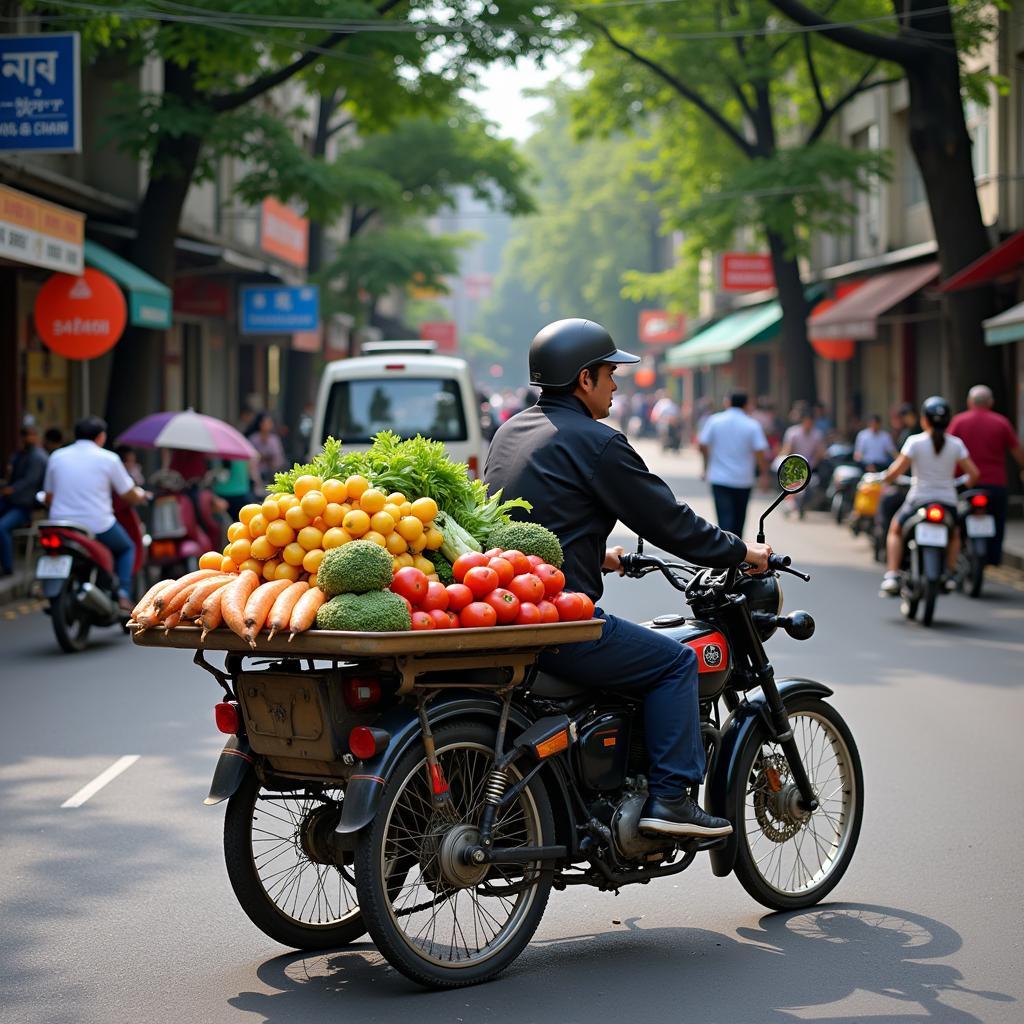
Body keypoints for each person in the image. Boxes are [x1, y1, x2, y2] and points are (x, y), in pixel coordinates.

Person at [485, 318, 771, 838]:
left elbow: (531, 523)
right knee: (675, 664)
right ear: (583, 379)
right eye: (610, 373)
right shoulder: (597, 443)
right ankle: (670, 800)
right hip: (560, 623)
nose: (617, 384)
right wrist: (739, 551)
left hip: (508, 609)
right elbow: (668, 522)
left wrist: (597, 557)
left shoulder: (511, 431)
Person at [43, 416, 149, 609]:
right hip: (98, 524)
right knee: (127, 548)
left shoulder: (56, 456)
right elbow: (127, 493)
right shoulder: (108, 458)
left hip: (61, 525)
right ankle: (124, 593)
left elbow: (49, 496)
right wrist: (141, 496)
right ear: (101, 437)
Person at [876, 397, 979, 595]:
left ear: (924, 420)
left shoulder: (915, 442)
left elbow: (894, 473)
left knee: (896, 529)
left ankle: (892, 574)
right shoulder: (956, 444)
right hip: (947, 501)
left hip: (918, 499)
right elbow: (974, 474)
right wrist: (957, 486)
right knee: (954, 534)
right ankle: (949, 573)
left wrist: (884, 479)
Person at [948, 385, 1024, 566]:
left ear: (969, 402)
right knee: (998, 521)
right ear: (991, 403)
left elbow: (945, 448)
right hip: (996, 484)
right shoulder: (1001, 422)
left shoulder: (959, 421)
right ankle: (993, 558)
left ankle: (955, 558)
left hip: (966, 483)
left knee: (956, 521)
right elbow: (1017, 452)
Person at [698, 392, 770, 536]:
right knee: (739, 521)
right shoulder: (752, 425)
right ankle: (736, 553)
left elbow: (702, 444)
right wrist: (764, 474)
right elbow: (760, 452)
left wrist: (706, 465)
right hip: (743, 480)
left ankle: (726, 552)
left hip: (719, 479)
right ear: (746, 404)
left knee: (724, 520)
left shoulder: (715, 420)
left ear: (728, 402)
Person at [0, 424, 48, 576]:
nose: (29, 438)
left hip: (25, 506)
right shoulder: (19, 455)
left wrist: (11, 489)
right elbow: (11, 474)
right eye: (26, 435)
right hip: (10, 501)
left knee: (2, 528)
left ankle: (7, 566)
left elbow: (30, 480)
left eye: (31, 435)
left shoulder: (38, 457)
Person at [245, 413, 287, 488]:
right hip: (256, 476)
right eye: (266, 423)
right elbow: (250, 458)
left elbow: (279, 458)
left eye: (270, 423)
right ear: (260, 424)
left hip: (272, 474)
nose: (268, 425)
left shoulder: (274, 440)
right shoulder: (253, 439)